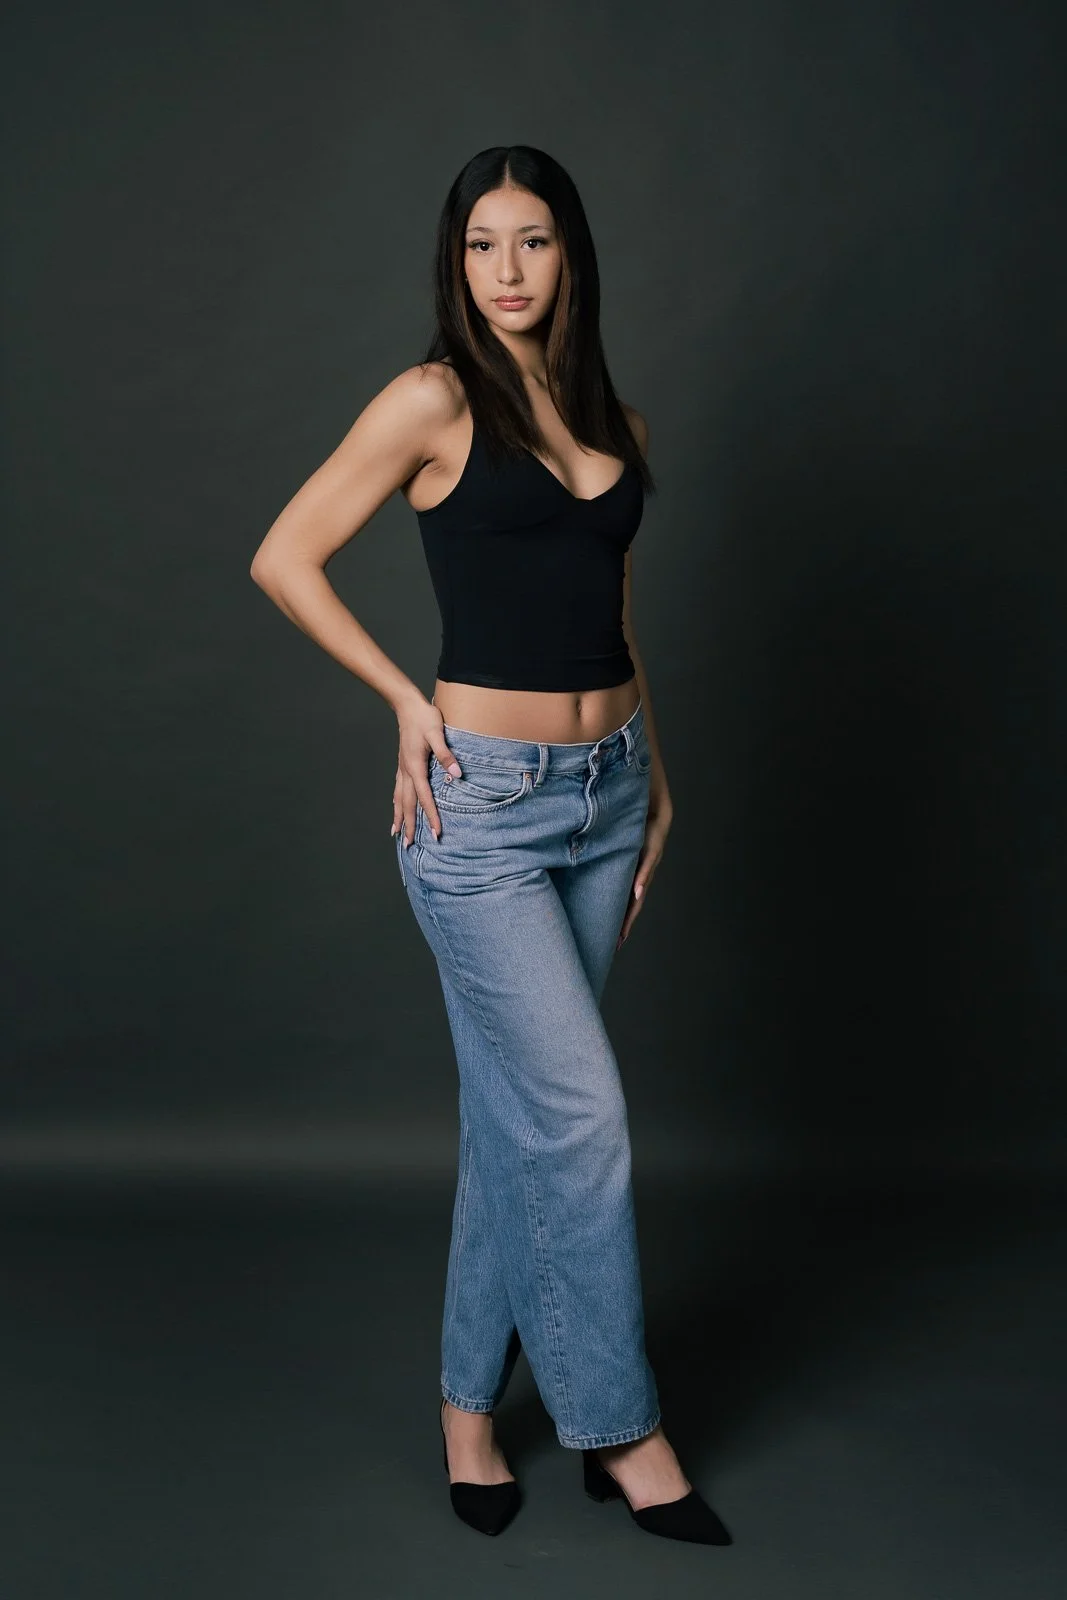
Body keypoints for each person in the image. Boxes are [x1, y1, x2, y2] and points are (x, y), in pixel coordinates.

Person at [250, 144, 730, 1547]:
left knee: (515, 1127)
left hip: (608, 794)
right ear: (453, 262)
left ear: (568, 253)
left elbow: (614, 614)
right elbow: (285, 553)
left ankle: (469, 1411)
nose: (506, 271)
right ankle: (621, 1428)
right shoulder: (430, 400)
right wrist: (402, 698)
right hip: (483, 812)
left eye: (529, 241)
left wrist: (661, 785)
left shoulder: (613, 418)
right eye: (479, 245)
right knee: (576, 1120)